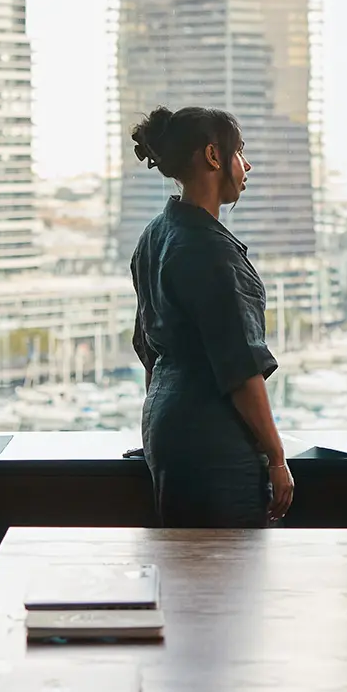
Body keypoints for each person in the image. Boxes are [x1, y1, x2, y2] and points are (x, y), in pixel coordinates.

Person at [129, 105, 295, 528]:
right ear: (213, 157)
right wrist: (277, 458)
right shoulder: (211, 250)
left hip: (165, 428)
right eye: (239, 151)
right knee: (227, 578)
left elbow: (148, 349)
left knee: (189, 577)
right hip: (213, 439)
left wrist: (155, 429)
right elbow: (240, 368)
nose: (247, 164)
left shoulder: (156, 234)